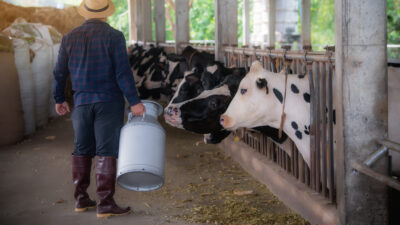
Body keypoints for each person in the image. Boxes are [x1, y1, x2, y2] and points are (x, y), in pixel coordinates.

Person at [53, 0, 144, 218]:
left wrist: (59, 99)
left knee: (81, 149)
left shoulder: (69, 37)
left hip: (81, 103)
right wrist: (134, 101)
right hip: (108, 102)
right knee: (106, 151)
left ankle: (81, 199)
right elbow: (123, 73)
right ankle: (105, 203)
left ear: (85, 12)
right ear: (106, 14)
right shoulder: (114, 36)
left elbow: (59, 73)